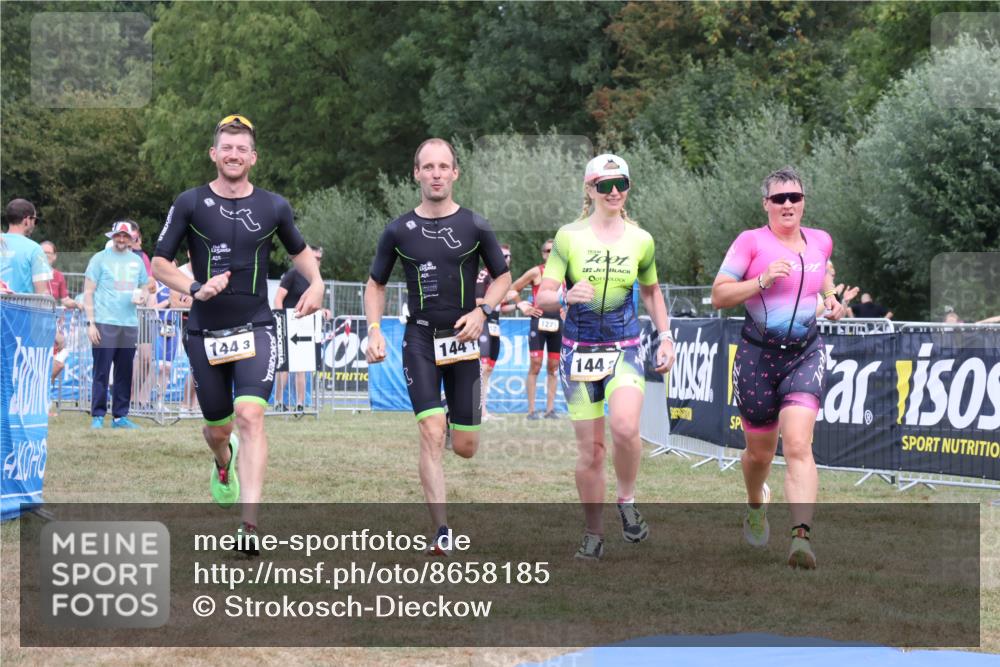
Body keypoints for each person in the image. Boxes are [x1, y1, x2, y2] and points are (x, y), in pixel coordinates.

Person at [152, 114, 324, 552]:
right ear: (214, 154)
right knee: (218, 429)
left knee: (250, 416)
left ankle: (249, 526)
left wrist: (318, 283)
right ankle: (221, 461)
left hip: (257, 327)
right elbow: (159, 263)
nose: (233, 154)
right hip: (204, 330)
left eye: (241, 148)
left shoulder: (274, 206)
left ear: (253, 157)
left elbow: (301, 253)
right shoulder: (190, 202)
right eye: (226, 147)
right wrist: (194, 287)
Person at [365, 138, 511, 555]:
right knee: (430, 432)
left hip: (464, 341)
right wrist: (374, 330)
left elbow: (502, 277)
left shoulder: (475, 226)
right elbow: (374, 284)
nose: (435, 174)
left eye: (443, 167)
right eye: (427, 167)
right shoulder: (397, 230)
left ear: (454, 174)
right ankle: (442, 530)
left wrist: (483, 310)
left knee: (465, 447)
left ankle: (453, 419)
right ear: (416, 173)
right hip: (421, 339)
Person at [535, 154, 675, 561]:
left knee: (627, 427)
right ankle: (594, 533)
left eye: (622, 184)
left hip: (624, 348)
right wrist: (563, 295)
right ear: (590, 188)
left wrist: (666, 337)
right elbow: (544, 295)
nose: (614, 192)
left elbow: (651, 291)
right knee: (592, 452)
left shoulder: (641, 239)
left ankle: (626, 499)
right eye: (605, 185)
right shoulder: (568, 237)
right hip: (578, 353)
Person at [711, 166, 846, 570]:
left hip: (805, 353)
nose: (788, 205)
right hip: (757, 358)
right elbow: (719, 295)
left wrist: (833, 302)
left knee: (800, 444)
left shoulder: (821, 241)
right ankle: (756, 503)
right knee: (759, 454)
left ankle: (800, 538)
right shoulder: (750, 242)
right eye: (779, 198)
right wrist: (761, 281)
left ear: (804, 201)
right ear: (766, 204)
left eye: (795, 197)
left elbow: (823, 280)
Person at [83, 220, 149, 429]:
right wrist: (90, 323)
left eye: (125, 236)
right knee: (101, 371)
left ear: (132, 239)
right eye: (118, 235)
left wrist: (143, 297)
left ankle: (120, 416)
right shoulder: (99, 259)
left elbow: (145, 287)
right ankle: (98, 415)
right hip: (104, 322)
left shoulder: (137, 261)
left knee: (124, 372)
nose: (121, 239)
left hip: (128, 324)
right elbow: (88, 292)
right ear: (112, 236)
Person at [510, 238, 563, 419]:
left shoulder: (566, 273)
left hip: (558, 323)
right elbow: (512, 289)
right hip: (538, 321)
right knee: (536, 365)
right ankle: (531, 411)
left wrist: (567, 310)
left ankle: (550, 410)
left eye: (554, 250)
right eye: (548, 251)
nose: (551, 253)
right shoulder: (536, 272)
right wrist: (522, 305)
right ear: (543, 254)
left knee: (554, 367)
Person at [273, 245, 325, 413]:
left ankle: (300, 405)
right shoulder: (293, 274)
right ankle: (278, 402)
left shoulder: (315, 281)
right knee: (285, 367)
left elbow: (313, 303)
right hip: (288, 325)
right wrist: (282, 321)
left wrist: (323, 311)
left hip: (304, 326)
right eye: (315, 258)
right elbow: (278, 299)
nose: (317, 261)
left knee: (302, 366)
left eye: (319, 259)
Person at [476, 243, 515, 420]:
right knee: (481, 368)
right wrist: (504, 297)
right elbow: (477, 301)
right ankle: (474, 409)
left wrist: (519, 305)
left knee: (488, 370)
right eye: (503, 255)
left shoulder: (503, 278)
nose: (506, 259)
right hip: (483, 323)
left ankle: (483, 411)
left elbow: (501, 307)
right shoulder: (485, 274)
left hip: (495, 326)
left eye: (508, 256)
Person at [1, 199, 51, 294]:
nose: (34, 225)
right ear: (27, 220)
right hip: (21, 308)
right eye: (35, 220)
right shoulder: (35, 249)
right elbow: (41, 293)